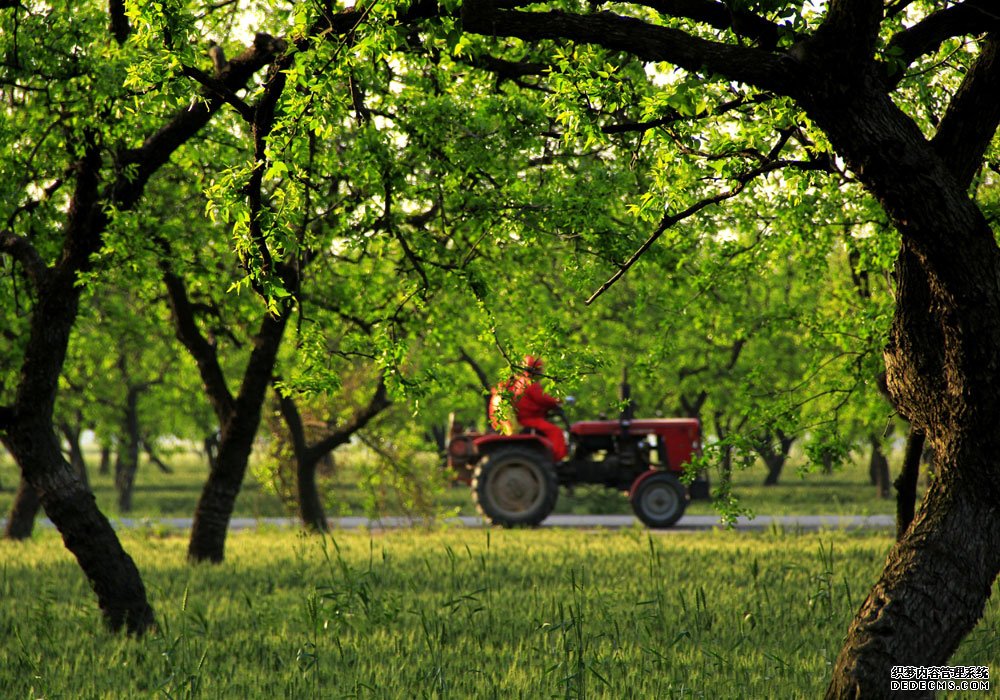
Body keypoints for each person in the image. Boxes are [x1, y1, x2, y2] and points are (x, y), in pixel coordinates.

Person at [489, 355, 568, 461]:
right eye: (539, 370)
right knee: (556, 431)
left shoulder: (521, 382)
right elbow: (543, 399)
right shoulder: (529, 384)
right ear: (535, 370)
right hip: (529, 419)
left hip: (528, 418)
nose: (541, 373)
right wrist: (557, 402)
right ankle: (557, 459)